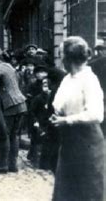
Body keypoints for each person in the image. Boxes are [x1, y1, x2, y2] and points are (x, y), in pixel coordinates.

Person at [50, 36, 104, 201]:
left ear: (67, 57)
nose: (60, 58)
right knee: (65, 194)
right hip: (68, 143)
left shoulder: (89, 80)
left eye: (60, 54)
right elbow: (58, 104)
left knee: (87, 193)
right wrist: (58, 115)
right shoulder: (67, 79)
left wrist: (67, 120)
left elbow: (96, 114)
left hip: (88, 144)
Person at [0, 45, 27, 173]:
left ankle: (2, 165)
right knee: (14, 135)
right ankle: (13, 165)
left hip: (8, 106)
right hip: (21, 103)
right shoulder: (8, 66)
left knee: (4, 136)